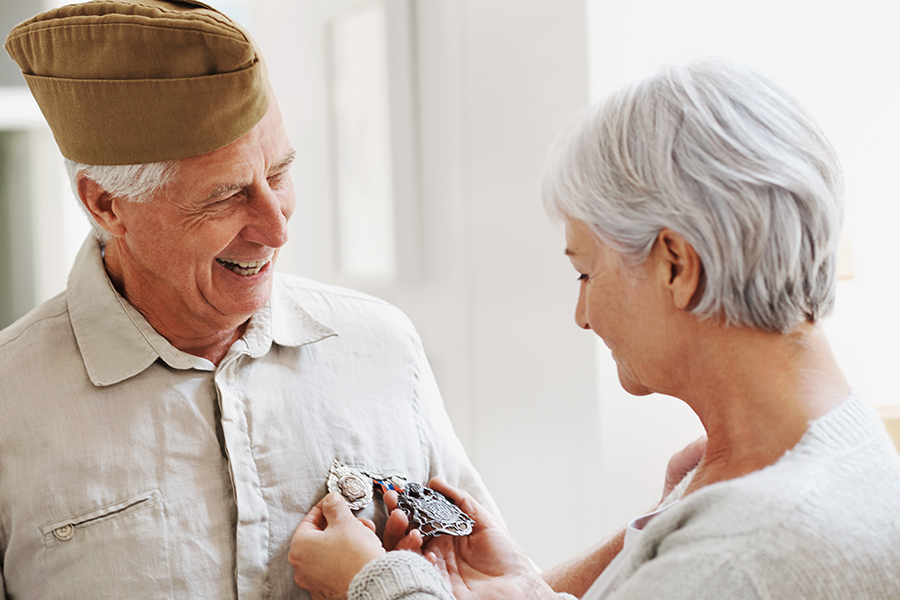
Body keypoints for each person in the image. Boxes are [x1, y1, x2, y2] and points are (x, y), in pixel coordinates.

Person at [287, 59, 900, 600]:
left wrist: (375, 585)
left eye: (585, 272)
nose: (582, 315)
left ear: (676, 266)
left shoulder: (737, 557)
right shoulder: (835, 444)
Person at [0, 2, 502, 598]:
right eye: (227, 194)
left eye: (280, 174)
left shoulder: (384, 346)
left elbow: (492, 581)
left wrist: (642, 536)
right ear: (107, 204)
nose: (277, 227)